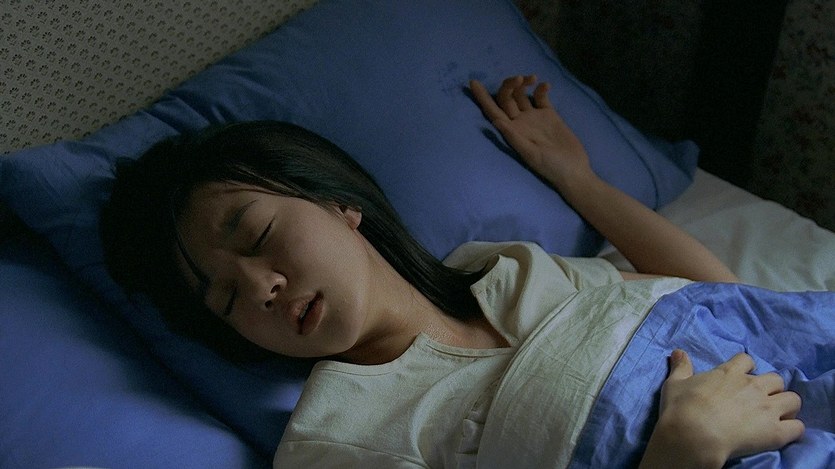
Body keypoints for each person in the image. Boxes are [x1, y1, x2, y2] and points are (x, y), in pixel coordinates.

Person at [101, 75, 815, 468]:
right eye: (226, 299)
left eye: (258, 235)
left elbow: (718, 302)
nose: (261, 287)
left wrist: (576, 179)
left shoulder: (505, 269)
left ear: (338, 203)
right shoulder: (333, 441)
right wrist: (681, 455)